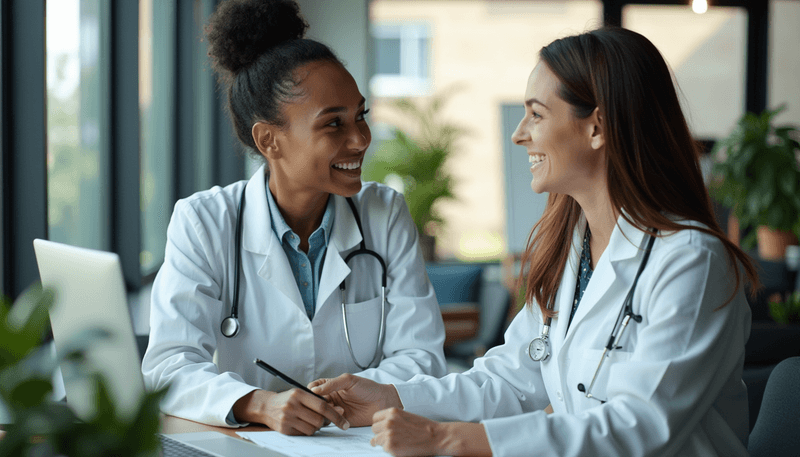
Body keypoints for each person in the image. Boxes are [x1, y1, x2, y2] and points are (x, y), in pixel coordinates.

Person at [311, 27, 760, 456]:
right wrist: (392, 396)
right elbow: (510, 380)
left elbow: (639, 427)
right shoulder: (572, 251)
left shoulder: (692, 262)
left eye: (537, 114)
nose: (519, 133)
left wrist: (448, 438)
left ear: (597, 128)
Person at [141, 0, 447, 435]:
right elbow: (169, 366)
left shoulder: (384, 214)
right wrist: (258, 403)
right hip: (251, 444)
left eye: (360, 116)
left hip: (362, 441)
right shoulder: (204, 222)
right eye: (334, 124)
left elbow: (422, 358)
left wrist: (340, 400)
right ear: (269, 140)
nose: (361, 139)